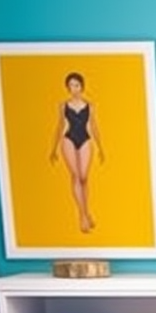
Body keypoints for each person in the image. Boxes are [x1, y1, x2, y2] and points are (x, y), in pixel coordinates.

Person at [50, 72, 104, 232]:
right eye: (71, 86)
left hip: (85, 139)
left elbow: (94, 127)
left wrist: (101, 148)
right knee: (75, 176)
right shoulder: (63, 106)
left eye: (77, 85)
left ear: (82, 86)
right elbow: (60, 127)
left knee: (84, 177)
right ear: (68, 88)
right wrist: (53, 149)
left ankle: (86, 212)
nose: (74, 89)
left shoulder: (90, 106)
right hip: (68, 139)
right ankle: (83, 216)